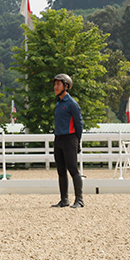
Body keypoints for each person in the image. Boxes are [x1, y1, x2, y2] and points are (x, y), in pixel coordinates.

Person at [51, 73, 84, 208]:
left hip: (70, 139)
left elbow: (79, 124)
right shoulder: (58, 103)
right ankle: (64, 199)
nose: (55, 87)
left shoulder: (72, 104)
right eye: (55, 84)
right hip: (58, 139)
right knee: (61, 170)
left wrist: (77, 141)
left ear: (66, 86)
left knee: (73, 170)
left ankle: (79, 200)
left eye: (58, 84)